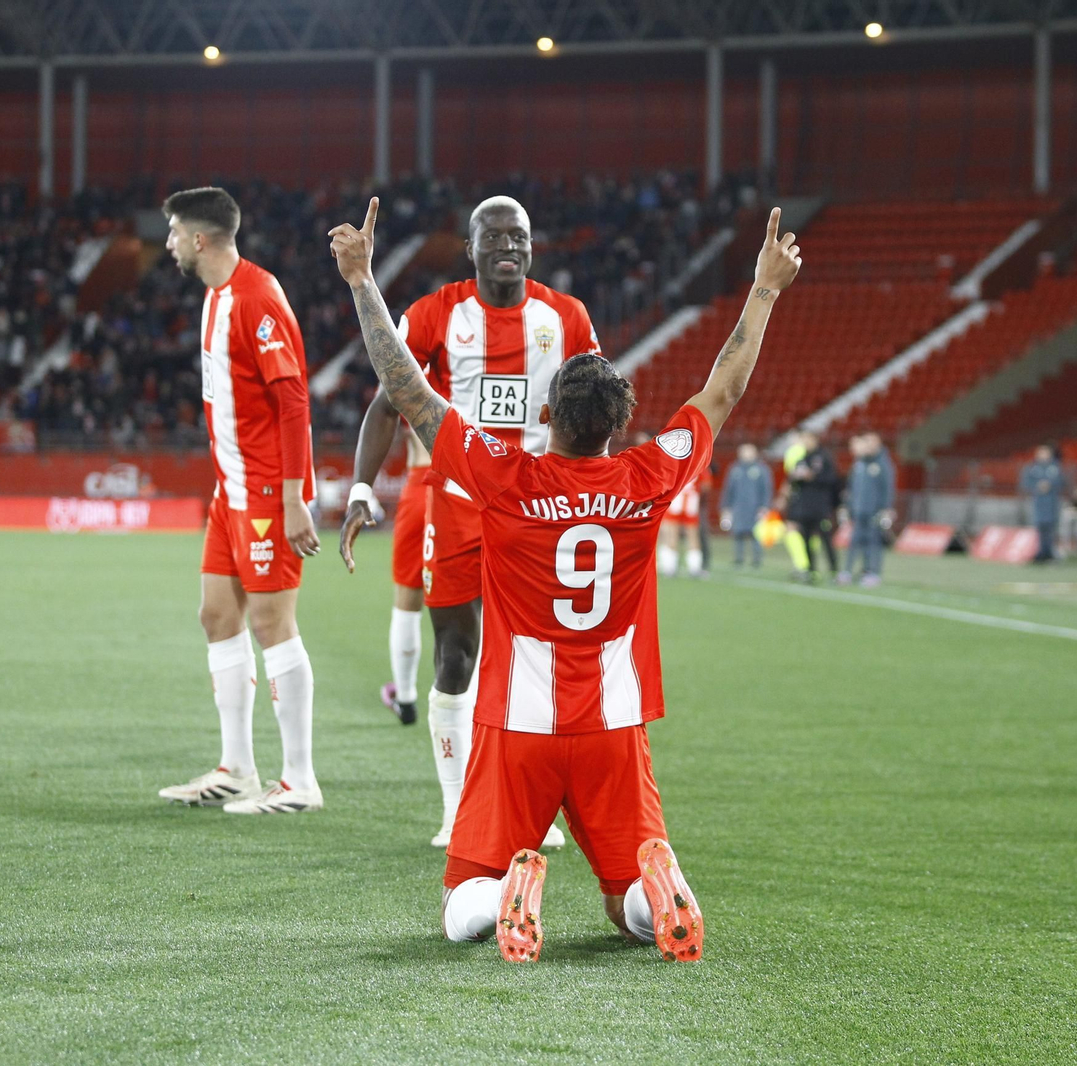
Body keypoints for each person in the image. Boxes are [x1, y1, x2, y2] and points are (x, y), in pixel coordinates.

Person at [331, 198, 801, 962]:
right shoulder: (647, 476)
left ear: (546, 411)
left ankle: (505, 891)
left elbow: (407, 389)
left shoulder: (504, 478)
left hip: (520, 723)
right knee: (625, 905)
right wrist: (765, 289)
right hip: (614, 725)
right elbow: (724, 388)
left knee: (459, 906)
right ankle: (658, 892)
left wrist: (360, 280)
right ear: (618, 427)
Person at [339, 195, 597, 848]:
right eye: (496, 237)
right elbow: (388, 401)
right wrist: (362, 489)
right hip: (455, 503)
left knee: (541, 661)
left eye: (521, 236)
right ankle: (459, 812)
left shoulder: (565, 318)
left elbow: (596, 403)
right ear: (471, 247)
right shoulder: (435, 314)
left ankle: (536, 806)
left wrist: (595, 488)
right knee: (457, 652)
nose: (510, 246)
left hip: (539, 510)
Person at [155, 187, 324, 816]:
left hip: (264, 492)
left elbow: (293, 402)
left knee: (272, 623)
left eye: (174, 231)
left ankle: (300, 781)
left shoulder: (256, 298)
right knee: (216, 615)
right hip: (230, 490)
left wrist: (292, 499)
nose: (168, 241)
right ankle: (236, 768)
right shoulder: (214, 296)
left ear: (200, 239)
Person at [370, 426, 430, 726]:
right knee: (474, 602)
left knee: (407, 599)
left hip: (420, 484)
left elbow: (386, 421)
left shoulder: (415, 376)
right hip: (463, 488)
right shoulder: (468, 378)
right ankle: (472, 696)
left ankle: (405, 698)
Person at [782, 432, 842, 581]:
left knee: (826, 539)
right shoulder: (801, 459)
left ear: (815, 439)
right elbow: (792, 481)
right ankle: (811, 569)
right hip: (804, 507)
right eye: (803, 439)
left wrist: (813, 477)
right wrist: (795, 478)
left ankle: (834, 570)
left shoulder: (824, 457)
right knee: (806, 538)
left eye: (808, 439)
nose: (806, 442)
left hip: (821, 507)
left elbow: (832, 479)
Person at [842, 432, 894, 586]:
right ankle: (848, 572)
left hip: (874, 512)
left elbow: (887, 488)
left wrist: (886, 509)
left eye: (871, 442)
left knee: (873, 543)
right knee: (855, 542)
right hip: (858, 511)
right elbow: (851, 488)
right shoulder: (860, 463)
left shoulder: (883, 464)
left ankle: (873, 572)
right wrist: (848, 506)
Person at [719, 442, 772, 569]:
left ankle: (756, 559)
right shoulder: (735, 469)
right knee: (738, 533)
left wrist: (765, 506)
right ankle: (739, 558)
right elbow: (728, 489)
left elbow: (766, 489)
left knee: (756, 534)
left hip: (755, 508)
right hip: (738, 507)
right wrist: (725, 506)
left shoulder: (761, 469)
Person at [1021, 444, 1063, 563]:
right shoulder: (1033, 468)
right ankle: (1041, 553)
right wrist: (1036, 486)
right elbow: (1026, 483)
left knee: (1050, 529)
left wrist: (1050, 485)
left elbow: (1061, 482)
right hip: (1038, 503)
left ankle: (1049, 553)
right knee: (1040, 528)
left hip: (1051, 503)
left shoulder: (1055, 468)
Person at [658, 476, 705, 577]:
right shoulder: (699, 463)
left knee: (672, 534)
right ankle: (694, 568)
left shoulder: (676, 461)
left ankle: (670, 567)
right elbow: (706, 485)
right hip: (691, 502)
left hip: (676, 500)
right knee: (692, 535)